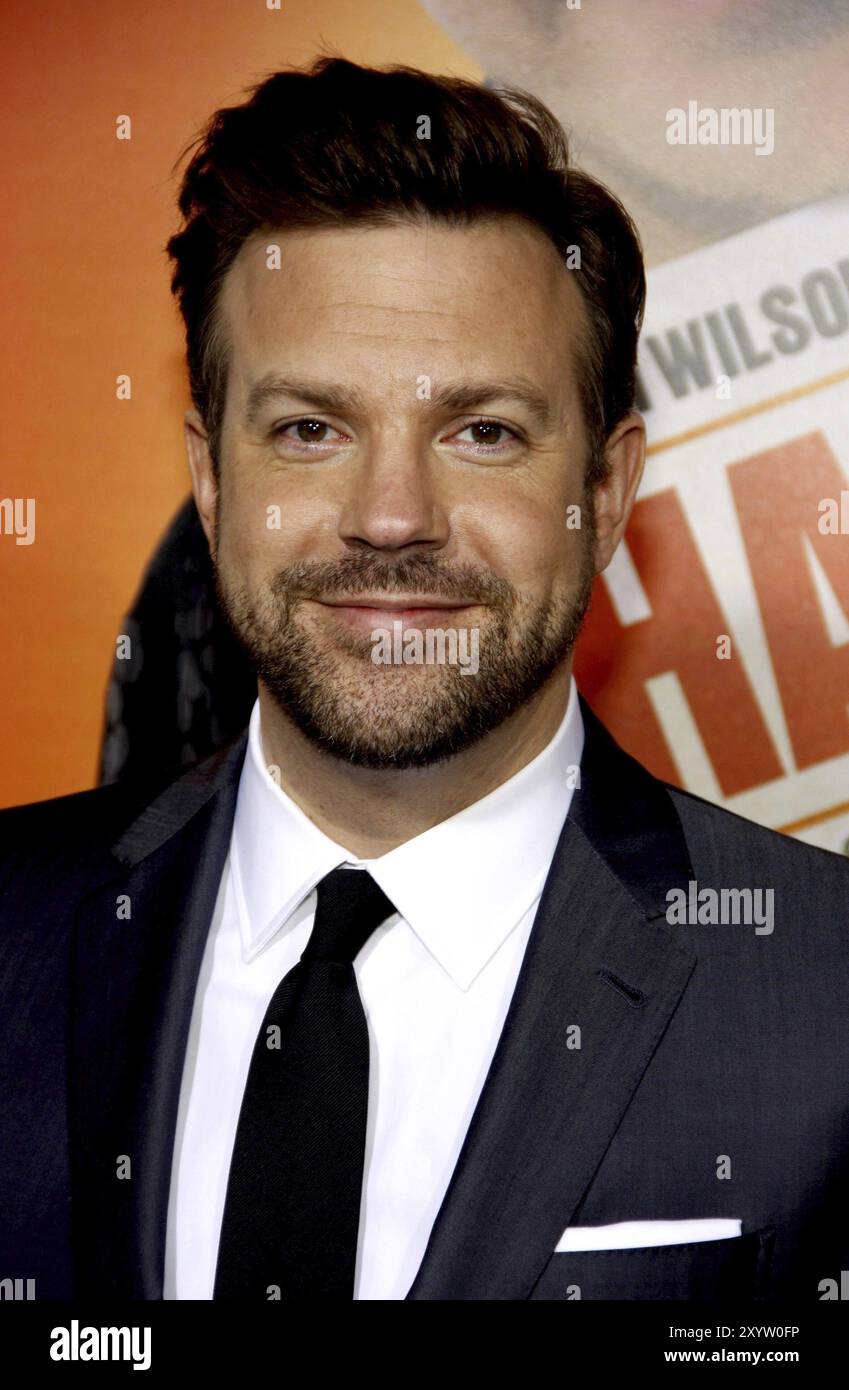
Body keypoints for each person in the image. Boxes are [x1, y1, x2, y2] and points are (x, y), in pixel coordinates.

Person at [2, 56, 848, 1302]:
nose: (392, 517)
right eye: (309, 429)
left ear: (605, 493)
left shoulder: (821, 992)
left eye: (483, 431)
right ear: (212, 477)